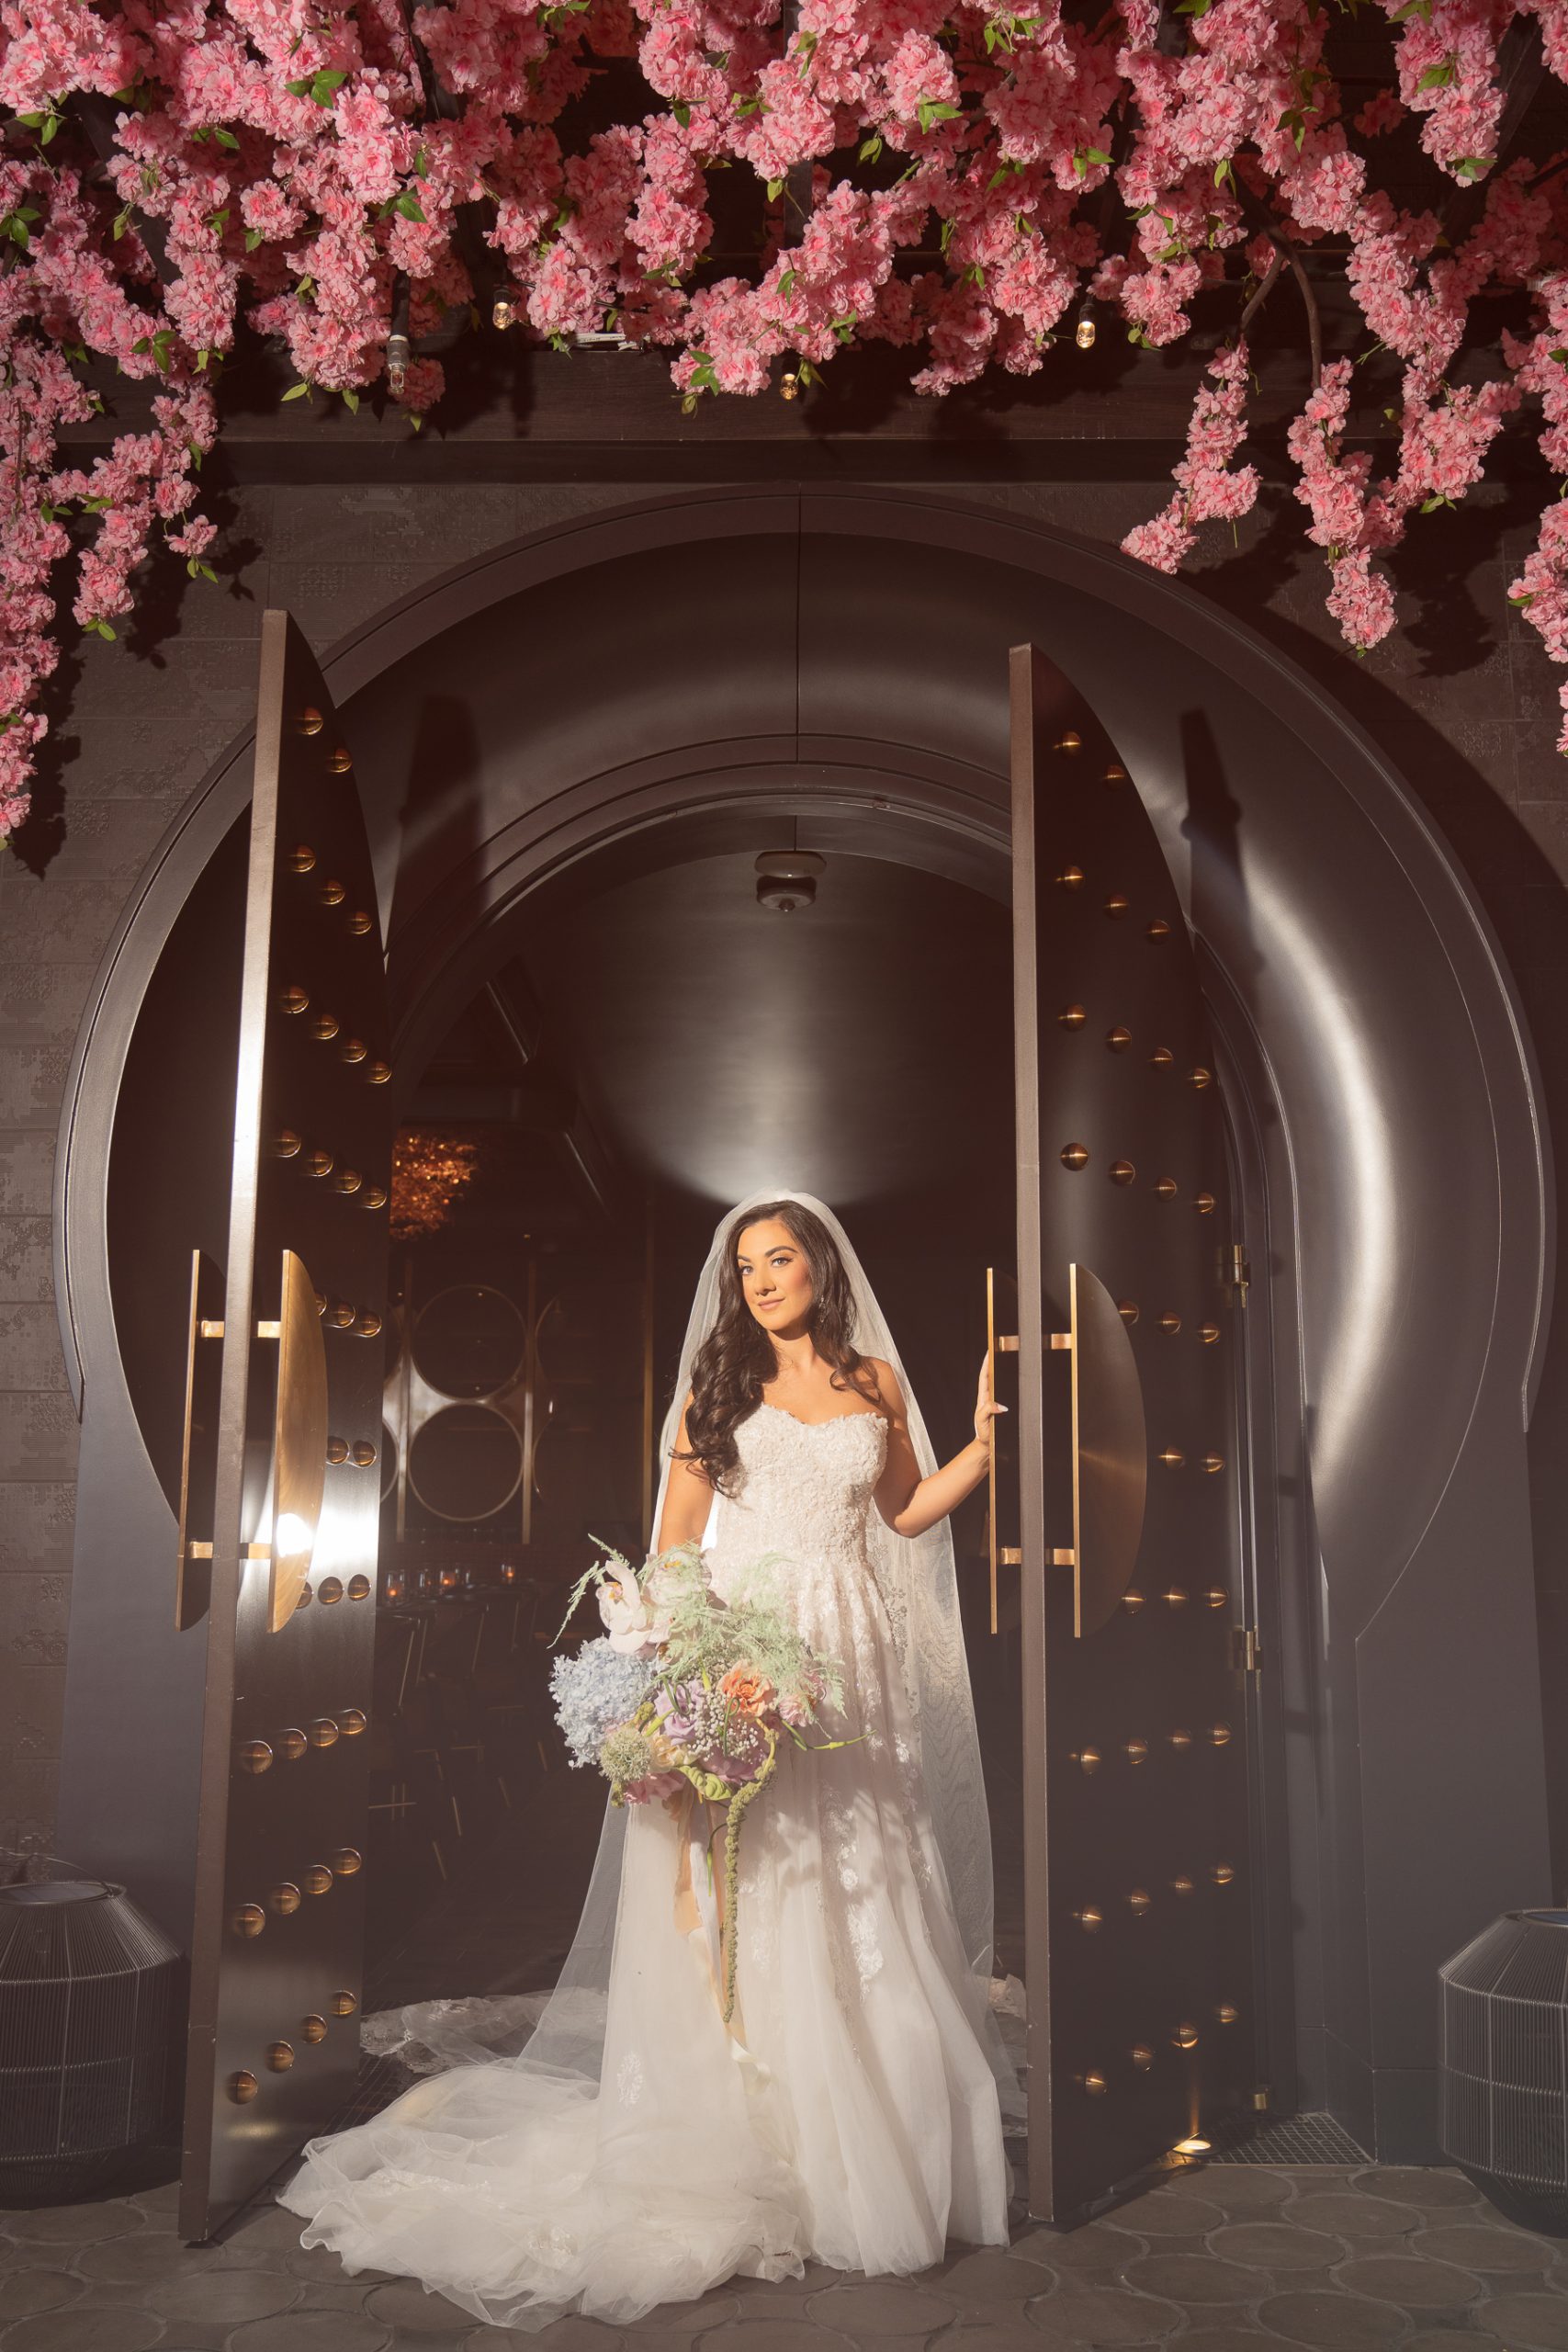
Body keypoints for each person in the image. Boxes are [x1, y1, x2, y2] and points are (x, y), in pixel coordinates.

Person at [276, 1189, 1021, 2329]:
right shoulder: (712, 1393)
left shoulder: (875, 1380)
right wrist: (699, 1677)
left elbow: (909, 1512)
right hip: (752, 1650)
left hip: (856, 1660)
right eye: (745, 1269)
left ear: (821, 1266)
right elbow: (671, 1554)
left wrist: (979, 1445)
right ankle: (762, 2129)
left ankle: (872, 2133)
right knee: (761, 1882)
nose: (763, 1282)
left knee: (866, 1878)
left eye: (780, 1260)